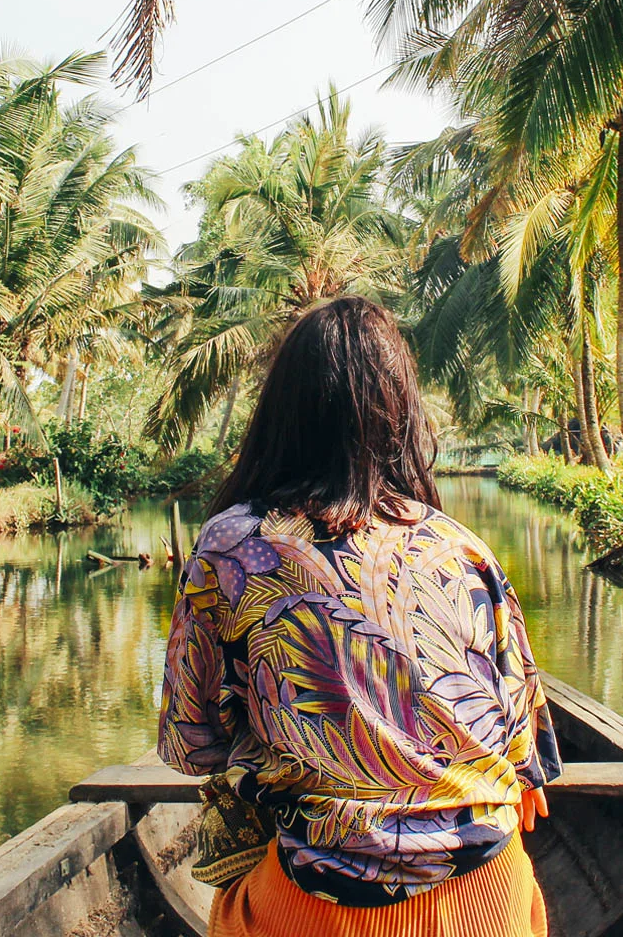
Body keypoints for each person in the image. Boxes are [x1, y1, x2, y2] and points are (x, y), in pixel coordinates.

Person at [158, 297, 561, 937]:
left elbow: (191, 745)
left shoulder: (231, 546)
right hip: (490, 897)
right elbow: (525, 750)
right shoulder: (460, 547)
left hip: (322, 904)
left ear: (281, 414)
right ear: (399, 415)